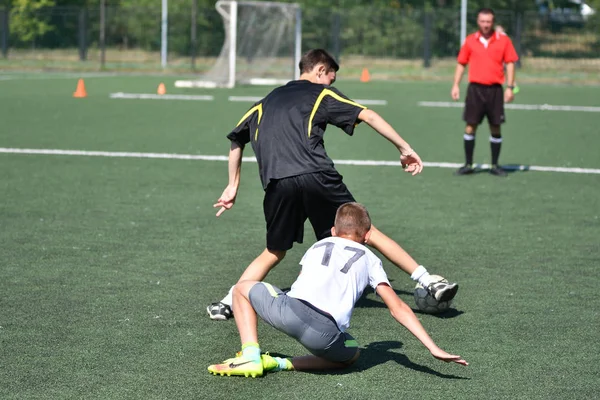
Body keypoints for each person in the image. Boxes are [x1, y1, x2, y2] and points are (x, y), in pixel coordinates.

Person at [208, 49, 458, 321]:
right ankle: (429, 280)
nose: (331, 85)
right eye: (331, 78)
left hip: (278, 182)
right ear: (319, 71)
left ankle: (228, 302)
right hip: (317, 175)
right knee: (367, 232)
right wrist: (404, 148)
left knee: (274, 251)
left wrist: (233, 185)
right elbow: (369, 115)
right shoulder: (321, 93)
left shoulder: (264, 102)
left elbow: (236, 140)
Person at [208, 203, 468, 377]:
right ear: (367, 236)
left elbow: (302, 281)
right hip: (326, 337)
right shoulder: (370, 258)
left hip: (287, 313)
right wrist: (432, 347)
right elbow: (397, 307)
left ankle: (251, 354)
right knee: (354, 352)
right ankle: (277, 363)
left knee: (242, 288)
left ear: (333, 231)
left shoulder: (318, 246)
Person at [451, 8, 519, 177]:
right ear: (478, 21)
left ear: (493, 22)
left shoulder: (503, 41)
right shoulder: (470, 41)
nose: (486, 25)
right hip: (475, 90)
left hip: (495, 90)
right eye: (482, 21)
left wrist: (510, 88)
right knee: (470, 126)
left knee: (495, 126)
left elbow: (510, 63)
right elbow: (461, 63)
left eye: (488, 22)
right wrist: (455, 85)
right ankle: (468, 164)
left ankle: (495, 165)